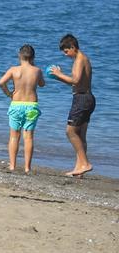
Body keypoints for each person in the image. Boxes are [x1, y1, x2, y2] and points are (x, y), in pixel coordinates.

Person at [49, 34, 94, 178]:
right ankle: (79, 168)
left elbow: (75, 80)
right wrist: (58, 77)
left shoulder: (80, 59)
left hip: (81, 100)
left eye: (66, 51)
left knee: (70, 132)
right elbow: (76, 83)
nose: (65, 54)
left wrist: (59, 73)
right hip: (87, 97)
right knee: (80, 135)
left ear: (73, 47)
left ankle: (85, 163)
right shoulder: (81, 58)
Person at [0, 44, 44, 174]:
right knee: (28, 137)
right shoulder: (37, 71)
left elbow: (1, 82)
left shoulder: (13, 70)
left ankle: (12, 165)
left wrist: (8, 93)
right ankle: (27, 168)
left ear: (20, 56)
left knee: (14, 136)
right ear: (33, 57)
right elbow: (42, 84)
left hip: (16, 104)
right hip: (31, 106)